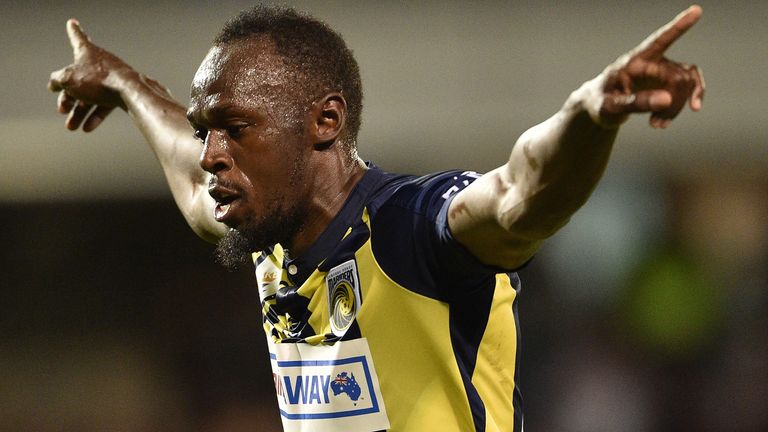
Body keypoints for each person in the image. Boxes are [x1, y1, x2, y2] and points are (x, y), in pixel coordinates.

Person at [48, 5, 704, 432]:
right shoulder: (268, 234)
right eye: (205, 130)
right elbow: (194, 188)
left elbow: (519, 193)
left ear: (324, 122)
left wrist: (592, 112)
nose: (212, 154)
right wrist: (124, 83)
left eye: (235, 129)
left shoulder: (410, 228)